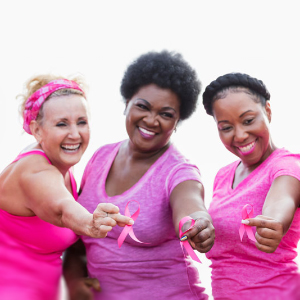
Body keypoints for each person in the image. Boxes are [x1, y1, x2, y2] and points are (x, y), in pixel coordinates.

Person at [63, 51, 215, 300]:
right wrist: (75, 281)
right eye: (142, 106)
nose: (151, 120)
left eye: (166, 114)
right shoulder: (100, 157)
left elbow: (191, 206)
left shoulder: (179, 171)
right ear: (126, 104)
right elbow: (81, 235)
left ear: (177, 121)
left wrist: (198, 224)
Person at [0, 75, 133, 300]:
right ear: (37, 130)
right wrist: (90, 223)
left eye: (81, 122)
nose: (74, 134)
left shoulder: (59, 162)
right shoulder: (34, 172)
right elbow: (62, 209)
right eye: (62, 123)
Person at [202, 72, 300, 300]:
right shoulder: (223, 175)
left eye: (248, 121)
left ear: (267, 111)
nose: (240, 135)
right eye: (226, 127)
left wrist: (274, 223)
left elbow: (282, 198)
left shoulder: (287, 166)